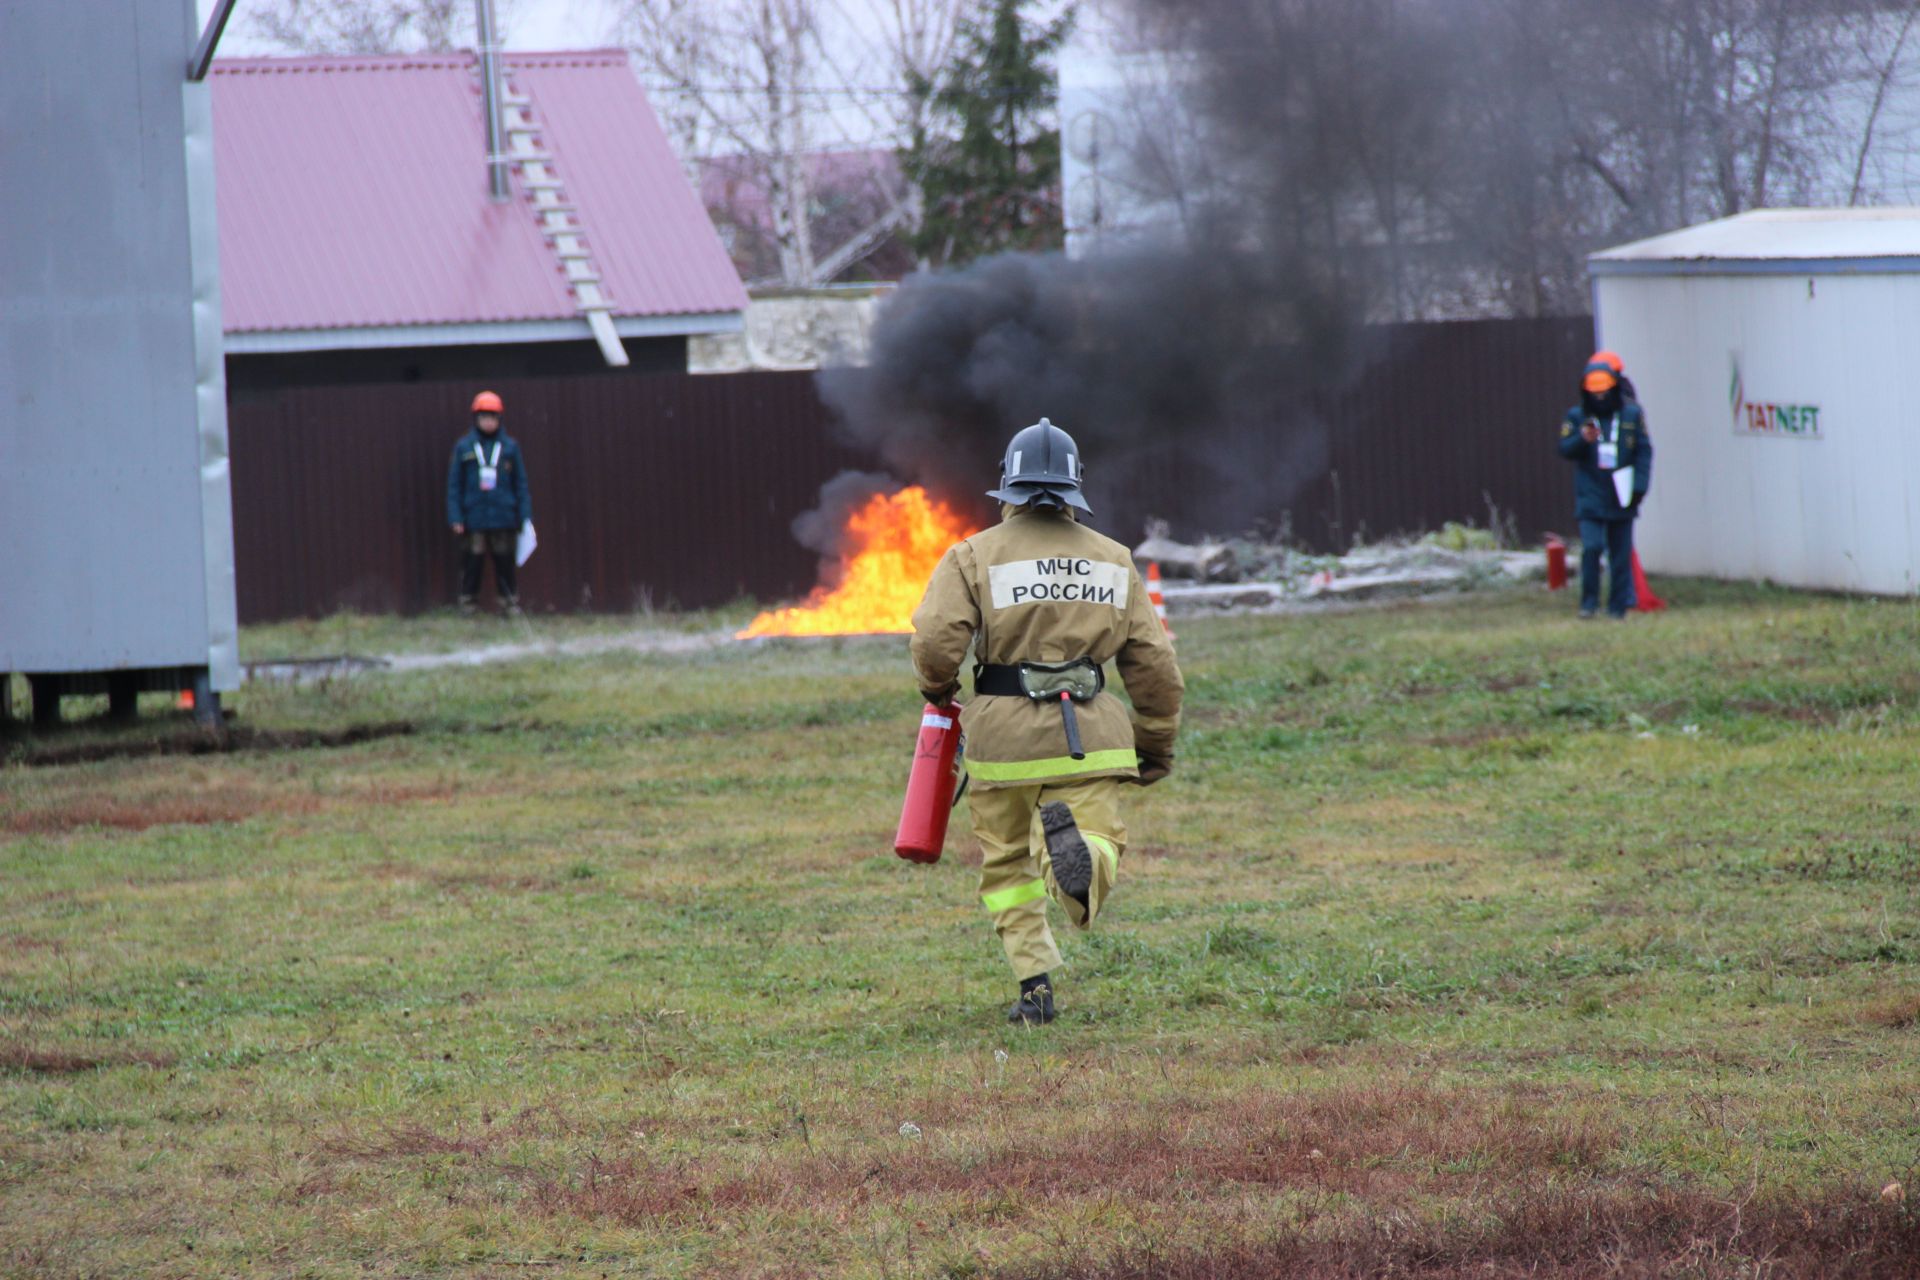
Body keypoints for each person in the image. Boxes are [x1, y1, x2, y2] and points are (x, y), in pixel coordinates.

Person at [909, 418, 1184, 1025]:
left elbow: (935, 639)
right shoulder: (1113, 560)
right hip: (1091, 739)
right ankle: (1077, 853)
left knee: (1006, 867)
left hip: (1001, 743)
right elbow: (1154, 666)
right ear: (1073, 490)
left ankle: (1035, 990)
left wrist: (938, 692)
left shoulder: (971, 555)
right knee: (1098, 846)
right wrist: (1156, 742)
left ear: (1007, 487)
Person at [1557, 358, 1651, 619]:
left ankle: (1617, 608)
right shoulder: (1577, 416)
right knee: (1592, 547)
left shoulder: (1631, 414)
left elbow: (1644, 452)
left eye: (1604, 391)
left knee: (1620, 555)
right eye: (1594, 391)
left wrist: (1639, 489)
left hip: (1622, 494)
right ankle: (1588, 604)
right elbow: (1564, 449)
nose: (1599, 396)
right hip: (1591, 495)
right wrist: (1581, 439)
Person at [445, 390, 532, 616]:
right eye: (484, 416)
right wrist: (455, 516)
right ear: (476, 418)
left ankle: (509, 603)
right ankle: (468, 604)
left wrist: (524, 516)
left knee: (504, 561)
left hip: (504, 516)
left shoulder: (510, 447)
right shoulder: (464, 447)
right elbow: (454, 485)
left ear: (499, 419)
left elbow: (521, 484)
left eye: (492, 416)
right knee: (472, 562)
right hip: (474, 516)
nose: (488, 421)